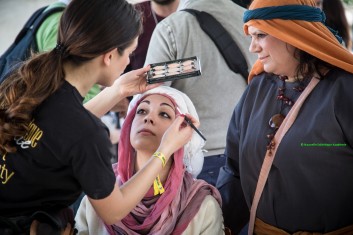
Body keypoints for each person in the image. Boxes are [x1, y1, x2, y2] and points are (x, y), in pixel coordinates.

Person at [0, 0, 198, 234]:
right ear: (110, 55)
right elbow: (114, 210)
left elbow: (62, 130)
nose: (127, 63)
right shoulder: (88, 134)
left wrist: (118, 91)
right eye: (130, 53)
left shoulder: (24, 81)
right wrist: (164, 150)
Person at [216, 0, 353, 234]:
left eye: (260, 35)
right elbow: (234, 170)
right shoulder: (256, 90)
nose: (253, 48)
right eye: (251, 36)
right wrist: (217, 222)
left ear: (291, 32)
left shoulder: (343, 91)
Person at [75, 86, 224, 235]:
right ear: (129, 124)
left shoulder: (202, 206)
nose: (148, 118)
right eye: (141, 111)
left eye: (164, 114)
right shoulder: (98, 194)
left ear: (182, 133)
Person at [144, 0, 257, 187]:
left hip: (193, 163)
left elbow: (151, 98)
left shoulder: (172, 28)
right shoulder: (253, 23)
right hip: (248, 159)